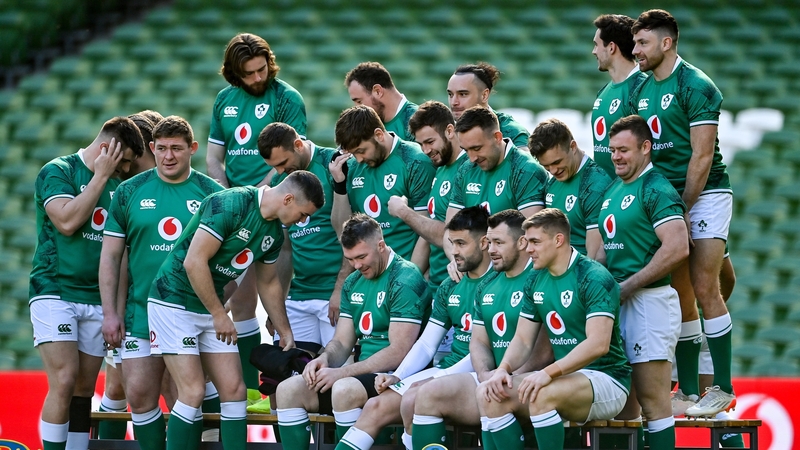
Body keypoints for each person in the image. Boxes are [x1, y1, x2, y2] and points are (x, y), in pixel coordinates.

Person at [146, 170, 323, 450]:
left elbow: (269, 284)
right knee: (192, 391)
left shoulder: (275, 234)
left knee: (235, 391)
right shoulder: (231, 203)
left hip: (208, 305)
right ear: (288, 199)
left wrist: (285, 329)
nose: (303, 221)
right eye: (303, 214)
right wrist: (219, 314)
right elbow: (194, 262)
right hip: (173, 300)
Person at [631, 9, 736, 417]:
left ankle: (723, 387)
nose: (636, 49)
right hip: (668, 200)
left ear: (666, 42)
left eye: (642, 42)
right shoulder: (641, 88)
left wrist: (683, 211)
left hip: (705, 194)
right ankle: (689, 390)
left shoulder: (697, 85)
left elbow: (703, 155)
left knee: (705, 284)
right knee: (681, 295)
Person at [100, 116, 224, 449]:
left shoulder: (213, 194)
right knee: (139, 393)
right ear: (152, 148)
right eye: (162, 148)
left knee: (189, 393)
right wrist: (110, 313)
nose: (169, 156)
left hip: (189, 314)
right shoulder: (128, 192)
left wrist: (219, 302)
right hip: (140, 312)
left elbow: (233, 260)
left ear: (192, 150)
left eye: (177, 149)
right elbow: (111, 258)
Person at [334, 207, 492, 450]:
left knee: (414, 399)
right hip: (449, 370)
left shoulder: (497, 283)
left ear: (484, 243)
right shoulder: (450, 285)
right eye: (451, 243)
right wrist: (400, 375)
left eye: (461, 243)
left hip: (479, 373)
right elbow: (427, 344)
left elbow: (485, 350)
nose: (454, 252)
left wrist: (437, 376)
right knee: (376, 406)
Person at [30, 116, 144, 450]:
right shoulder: (58, 171)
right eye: (123, 162)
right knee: (64, 379)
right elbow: (66, 221)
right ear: (109, 148)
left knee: (83, 388)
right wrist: (101, 176)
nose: (125, 171)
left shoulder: (118, 188)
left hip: (96, 298)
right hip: (55, 290)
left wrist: (114, 310)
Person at [477, 208, 630, 450]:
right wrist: (503, 369)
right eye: (527, 242)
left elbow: (598, 344)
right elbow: (523, 340)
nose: (528, 250)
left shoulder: (593, 276)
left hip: (607, 379)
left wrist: (548, 372)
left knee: (542, 394)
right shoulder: (536, 279)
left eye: (535, 242)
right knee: (489, 393)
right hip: (565, 377)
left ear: (558, 240)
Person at [275, 214, 430, 450]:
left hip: (398, 376)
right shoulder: (352, 282)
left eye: (361, 257)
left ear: (380, 245)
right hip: (362, 374)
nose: (357, 265)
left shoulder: (405, 278)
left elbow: (400, 351)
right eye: (350, 259)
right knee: (287, 390)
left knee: (344, 389)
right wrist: (324, 360)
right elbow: (341, 342)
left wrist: (342, 373)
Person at [411, 210, 547, 450]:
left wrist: (505, 377)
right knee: (426, 395)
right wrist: (486, 374)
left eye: (498, 243)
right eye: (489, 242)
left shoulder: (539, 279)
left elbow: (543, 351)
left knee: (490, 395)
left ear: (522, 242)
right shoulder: (486, 284)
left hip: (531, 378)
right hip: (494, 377)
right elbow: (479, 343)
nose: (490, 249)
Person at [597, 115, 689, 450]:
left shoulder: (656, 187)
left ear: (646, 147)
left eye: (624, 150)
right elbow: (606, 253)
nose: (616, 157)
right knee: (622, 406)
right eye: (612, 150)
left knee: (654, 404)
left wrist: (630, 285)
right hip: (618, 303)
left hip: (649, 304)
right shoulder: (613, 189)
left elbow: (678, 247)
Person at [245, 122, 350, 413]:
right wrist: (275, 307)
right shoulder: (284, 184)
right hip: (301, 294)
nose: (280, 172)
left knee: (332, 382)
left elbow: (351, 234)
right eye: (273, 166)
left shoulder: (335, 166)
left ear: (299, 146)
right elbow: (286, 249)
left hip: (335, 295)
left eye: (283, 163)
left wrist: (341, 288)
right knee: (280, 375)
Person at [97, 110, 163, 440]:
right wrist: (115, 311)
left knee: (183, 387)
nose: (126, 167)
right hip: (133, 303)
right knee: (119, 384)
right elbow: (118, 255)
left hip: (171, 303)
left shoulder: (171, 183)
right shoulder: (124, 187)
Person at [329, 105, 435, 267]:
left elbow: (426, 232)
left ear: (378, 135)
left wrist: (410, 277)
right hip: (368, 275)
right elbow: (343, 234)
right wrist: (339, 185)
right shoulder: (351, 167)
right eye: (353, 153)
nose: (358, 159)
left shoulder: (415, 161)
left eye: (361, 151)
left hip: (406, 271)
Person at [206, 32, 306, 189]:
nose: (258, 78)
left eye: (262, 69)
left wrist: (256, 196)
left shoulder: (287, 98)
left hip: (277, 197)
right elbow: (213, 158)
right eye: (249, 73)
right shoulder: (223, 99)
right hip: (235, 198)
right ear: (235, 72)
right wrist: (228, 194)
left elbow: (294, 156)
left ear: (269, 62)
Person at [388, 100, 469, 289]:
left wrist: (403, 212)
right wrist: (412, 280)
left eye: (430, 142)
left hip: (460, 283)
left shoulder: (468, 168)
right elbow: (427, 233)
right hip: (436, 285)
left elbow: (449, 232)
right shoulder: (440, 168)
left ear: (449, 131)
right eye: (421, 144)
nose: (425, 151)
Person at [529, 119, 612, 260]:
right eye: (547, 166)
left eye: (557, 162)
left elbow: (596, 257)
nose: (553, 170)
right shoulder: (553, 183)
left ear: (573, 147)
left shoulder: (595, 185)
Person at [447, 106, 547, 220]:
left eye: (477, 148)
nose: (472, 158)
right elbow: (450, 231)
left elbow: (529, 234)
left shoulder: (526, 170)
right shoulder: (465, 170)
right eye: (466, 150)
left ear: (497, 137)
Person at [591, 14, 647, 179]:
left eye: (596, 45)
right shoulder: (603, 92)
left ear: (611, 47)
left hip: (630, 193)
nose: (593, 51)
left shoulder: (641, 88)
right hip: (607, 194)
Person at [447, 62, 530, 151]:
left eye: (463, 94)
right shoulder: (444, 133)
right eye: (450, 94)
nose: (454, 102)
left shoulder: (511, 132)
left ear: (484, 95)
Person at [344, 62, 418, 141]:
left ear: (378, 91)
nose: (357, 108)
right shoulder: (364, 127)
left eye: (359, 101)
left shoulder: (419, 122)